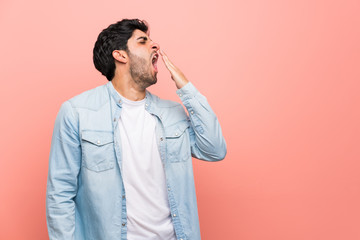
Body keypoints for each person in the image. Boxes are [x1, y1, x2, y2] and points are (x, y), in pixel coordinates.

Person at [46, 18, 227, 240]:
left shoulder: (173, 113)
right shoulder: (77, 112)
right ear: (120, 55)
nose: (155, 45)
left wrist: (186, 88)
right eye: (143, 41)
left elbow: (214, 149)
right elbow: (60, 195)